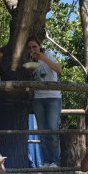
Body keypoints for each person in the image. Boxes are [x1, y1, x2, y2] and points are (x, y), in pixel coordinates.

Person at [26, 36, 63, 167]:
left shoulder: (48, 54)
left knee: (52, 129)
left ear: (39, 46)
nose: (32, 49)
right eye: (30, 48)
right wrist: (32, 63)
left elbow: (59, 70)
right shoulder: (30, 59)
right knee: (42, 131)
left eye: (34, 47)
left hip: (53, 97)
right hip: (38, 98)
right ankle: (46, 161)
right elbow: (30, 75)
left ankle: (55, 161)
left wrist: (43, 58)